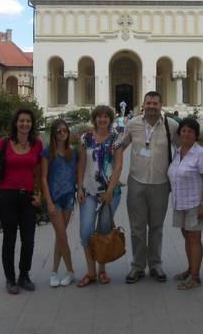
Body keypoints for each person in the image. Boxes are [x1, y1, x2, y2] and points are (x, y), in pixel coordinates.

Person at [0, 108, 43, 295]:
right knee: (9, 239)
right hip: (7, 196)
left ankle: (24, 275)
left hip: (28, 197)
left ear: (32, 124)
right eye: (21, 121)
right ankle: (10, 278)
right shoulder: (5, 143)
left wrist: (40, 194)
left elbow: (38, 173)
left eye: (28, 121)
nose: (25, 124)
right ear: (16, 123)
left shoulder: (36, 144)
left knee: (29, 240)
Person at [119, 91, 178, 283]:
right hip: (137, 182)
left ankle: (155, 265)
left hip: (161, 184)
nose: (152, 106)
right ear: (143, 104)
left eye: (155, 103)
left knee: (156, 227)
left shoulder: (171, 126)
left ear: (161, 105)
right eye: (148, 103)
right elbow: (120, 147)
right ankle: (137, 266)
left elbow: (183, 148)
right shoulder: (133, 124)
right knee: (137, 228)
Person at [76, 105, 123, 287]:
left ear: (110, 119)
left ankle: (102, 270)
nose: (102, 119)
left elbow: (118, 166)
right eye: (99, 116)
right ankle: (90, 271)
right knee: (86, 231)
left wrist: (110, 191)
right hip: (88, 191)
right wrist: (79, 187)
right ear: (94, 119)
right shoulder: (86, 137)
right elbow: (81, 163)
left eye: (106, 117)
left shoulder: (116, 138)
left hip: (110, 194)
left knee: (103, 231)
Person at [168, 117, 203, 290]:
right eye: (184, 131)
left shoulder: (200, 153)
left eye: (190, 131)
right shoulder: (178, 151)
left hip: (195, 203)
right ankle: (190, 269)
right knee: (187, 237)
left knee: (194, 238)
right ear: (179, 134)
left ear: (196, 135)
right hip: (180, 202)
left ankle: (195, 277)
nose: (186, 134)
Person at [40, 119, 78, 287]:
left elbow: (78, 174)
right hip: (54, 199)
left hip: (69, 197)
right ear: (53, 133)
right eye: (59, 131)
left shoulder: (72, 152)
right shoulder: (48, 152)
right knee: (62, 235)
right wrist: (48, 201)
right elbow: (42, 178)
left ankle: (54, 272)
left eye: (65, 131)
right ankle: (70, 271)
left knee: (59, 237)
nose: (63, 133)